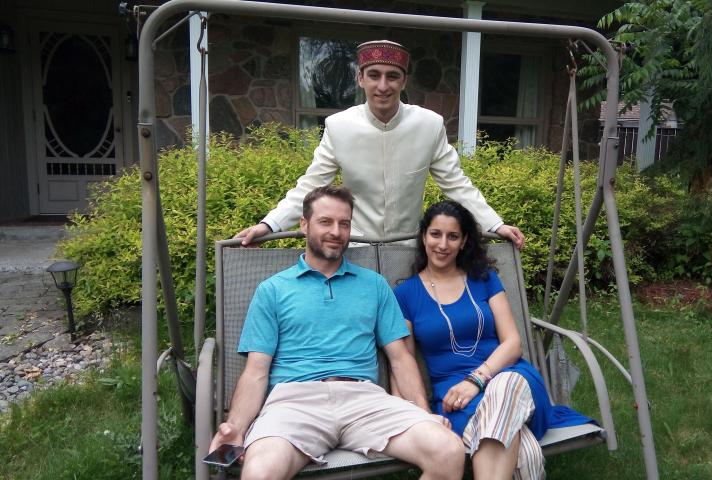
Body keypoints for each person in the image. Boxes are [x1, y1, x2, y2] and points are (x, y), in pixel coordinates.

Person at [210, 185, 465, 480]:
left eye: (344, 224)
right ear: (304, 225)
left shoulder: (374, 285)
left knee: (448, 451)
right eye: (325, 222)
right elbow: (255, 372)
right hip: (295, 403)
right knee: (259, 472)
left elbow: (400, 358)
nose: (336, 231)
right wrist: (237, 429)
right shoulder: (273, 290)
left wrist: (423, 413)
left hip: (364, 400)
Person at [236, 39, 525, 249]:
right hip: (356, 248)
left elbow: (457, 184)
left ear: (403, 81)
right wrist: (268, 225)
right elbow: (309, 188)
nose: (383, 86)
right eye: (374, 75)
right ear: (360, 78)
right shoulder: (339, 126)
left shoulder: (429, 124)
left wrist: (495, 224)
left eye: (392, 76)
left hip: (410, 249)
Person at [392, 200, 595, 480]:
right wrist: (420, 415)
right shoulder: (406, 295)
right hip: (455, 401)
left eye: (453, 236)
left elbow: (513, 343)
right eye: (435, 234)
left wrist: (476, 380)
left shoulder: (483, 279)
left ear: (463, 242)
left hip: (509, 375)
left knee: (505, 386)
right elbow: (403, 360)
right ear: (424, 236)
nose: (443, 244)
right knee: (524, 453)